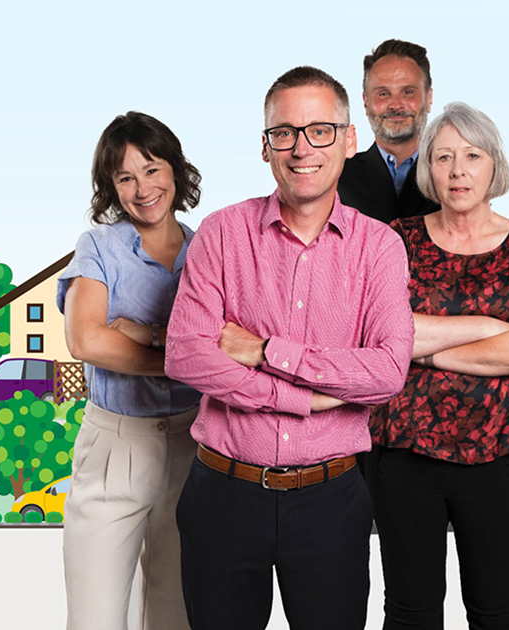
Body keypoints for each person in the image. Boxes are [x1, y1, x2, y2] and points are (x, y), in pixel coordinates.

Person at [165, 66, 413, 630]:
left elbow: (387, 372)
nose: (302, 148)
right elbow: (185, 355)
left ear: (350, 141)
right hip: (221, 494)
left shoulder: (379, 248)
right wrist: (308, 397)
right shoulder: (221, 234)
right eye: (285, 132)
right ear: (265, 146)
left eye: (321, 130)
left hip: (330, 500)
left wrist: (266, 351)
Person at [367, 102, 509, 628]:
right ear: (428, 170)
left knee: (495, 610)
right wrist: (488, 328)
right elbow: (379, 336)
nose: (458, 169)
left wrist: (426, 350)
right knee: (410, 611)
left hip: (503, 455)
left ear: (493, 165)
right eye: (443, 157)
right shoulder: (396, 239)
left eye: (472, 155)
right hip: (406, 452)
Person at [58, 111, 203, 630]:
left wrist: (144, 332)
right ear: (110, 187)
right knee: (95, 617)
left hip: (194, 442)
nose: (142, 189)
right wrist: (181, 360)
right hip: (115, 445)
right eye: (125, 177)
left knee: (177, 614)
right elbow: (86, 339)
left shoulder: (209, 247)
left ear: (175, 170)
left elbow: (227, 341)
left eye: (152, 169)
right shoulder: (98, 247)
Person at [338, 39, 440, 225]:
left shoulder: (453, 174)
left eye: (408, 92)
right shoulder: (336, 175)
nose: (396, 105)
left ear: (429, 98)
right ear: (366, 101)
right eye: (383, 94)